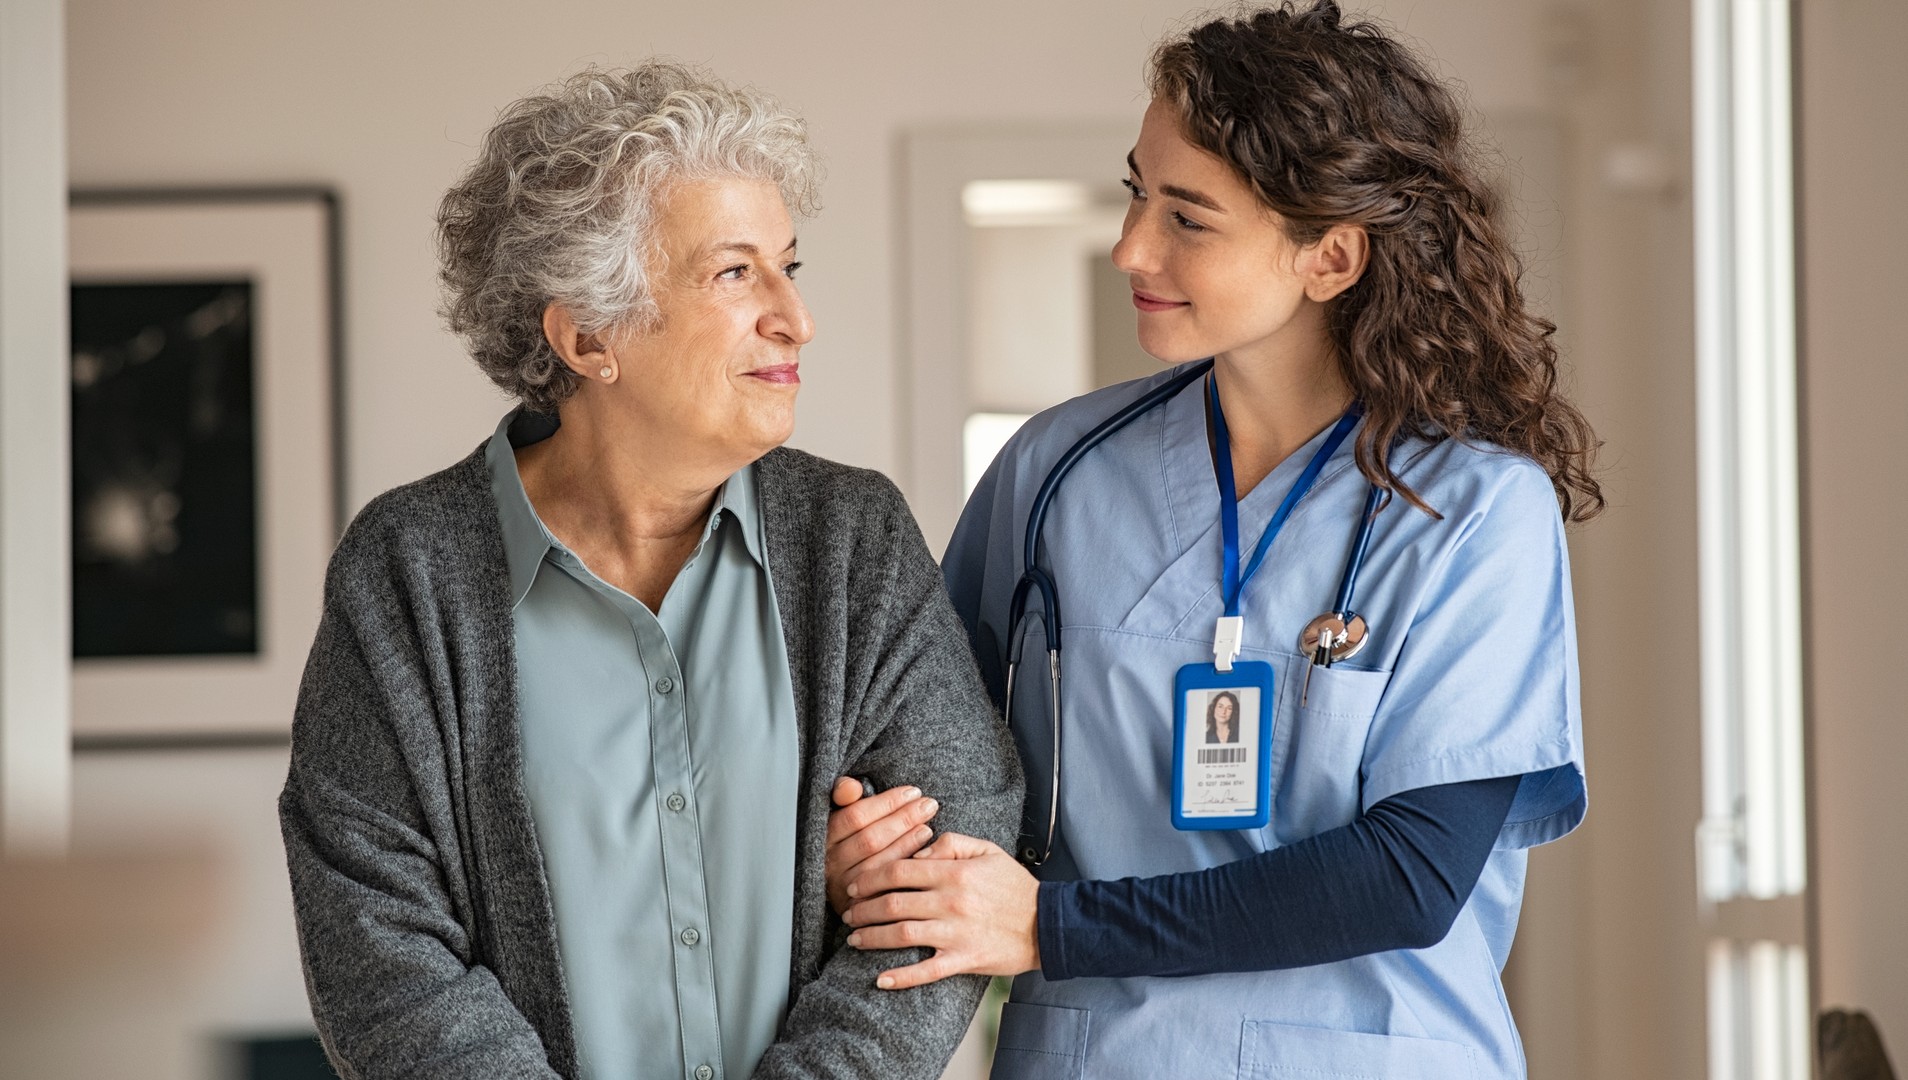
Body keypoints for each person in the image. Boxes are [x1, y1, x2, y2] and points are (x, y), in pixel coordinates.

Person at [822, 5, 1599, 1077]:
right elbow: (916, 748)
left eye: (1189, 217)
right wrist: (868, 843)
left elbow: (1411, 875)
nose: (1130, 244)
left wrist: (1053, 929)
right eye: (1139, 191)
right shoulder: (1054, 473)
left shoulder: (1472, 514)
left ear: (1330, 257)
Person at [278, 63, 1022, 1080]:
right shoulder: (405, 575)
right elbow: (383, 957)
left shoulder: (855, 540)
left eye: (788, 266)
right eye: (734, 274)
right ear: (587, 335)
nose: (795, 319)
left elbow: (956, 853)